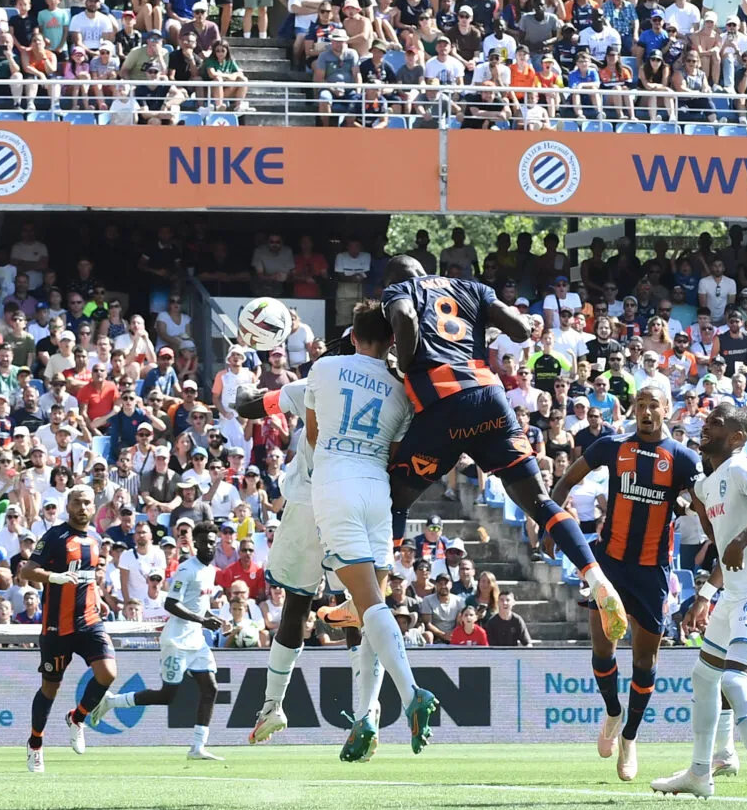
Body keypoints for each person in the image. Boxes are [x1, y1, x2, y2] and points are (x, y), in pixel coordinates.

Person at [380, 255, 630, 645]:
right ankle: (594, 576)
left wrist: (408, 363)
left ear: (394, 279)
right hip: (490, 398)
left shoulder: (399, 290)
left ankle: (376, 595)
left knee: (395, 502)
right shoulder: (471, 288)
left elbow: (407, 319)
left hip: (443, 405)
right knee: (541, 502)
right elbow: (518, 328)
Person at [303, 300, 438, 758]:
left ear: (354, 336)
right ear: (390, 343)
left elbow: (313, 435)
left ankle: (411, 693)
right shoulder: (401, 389)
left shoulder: (325, 368)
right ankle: (367, 716)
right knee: (369, 609)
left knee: (368, 605)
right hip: (378, 491)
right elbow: (397, 450)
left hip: (336, 484)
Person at [551, 386, 701, 781]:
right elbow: (566, 481)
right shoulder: (612, 447)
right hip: (611, 566)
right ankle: (612, 712)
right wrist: (549, 522)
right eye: (641, 405)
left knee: (644, 661)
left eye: (655, 405)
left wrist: (697, 513)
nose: (647, 411)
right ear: (633, 409)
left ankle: (630, 738)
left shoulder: (683, 459)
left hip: (653, 573)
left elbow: (705, 507)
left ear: (667, 409)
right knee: (602, 650)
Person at [651, 404, 747, 804]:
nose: (706, 424)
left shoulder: (739, 468)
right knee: (703, 677)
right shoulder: (709, 481)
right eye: (707, 419)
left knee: (734, 679)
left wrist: (739, 540)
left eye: (717, 422)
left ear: (736, 438)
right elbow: (701, 509)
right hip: (733, 593)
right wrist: (691, 506)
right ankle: (699, 773)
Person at [234, 379, 381, 757]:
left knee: (297, 603)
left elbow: (249, 407)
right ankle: (367, 711)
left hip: (307, 501)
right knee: (357, 605)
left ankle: (272, 707)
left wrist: (242, 384)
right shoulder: (391, 387)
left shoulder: (319, 380)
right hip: (355, 501)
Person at [90, 521, 225, 760]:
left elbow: (198, 605)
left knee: (211, 688)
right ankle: (112, 702)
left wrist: (210, 617)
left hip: (196, 641)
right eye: (204, 543)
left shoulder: (210, 571)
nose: (209, 547)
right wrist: (202, 621)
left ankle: (197, 747)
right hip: (176, 641)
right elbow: (170, 604)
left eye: (213, 543)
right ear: (196, 543)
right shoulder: (187, 569)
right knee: (167, 696)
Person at [18, 484, 117, 772]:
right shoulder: (54, 536)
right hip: (56, 627)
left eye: (87, 502)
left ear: (94, 506)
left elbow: (88, 578)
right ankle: (35, 743)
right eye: (77, 502)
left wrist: (98, 597)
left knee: (108, 673)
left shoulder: (94, 541)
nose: (82, 507)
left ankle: (78, 717)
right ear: (68, 505)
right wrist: (55, 578)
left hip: (88, 621)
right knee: (50, 688)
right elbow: (27, 571)